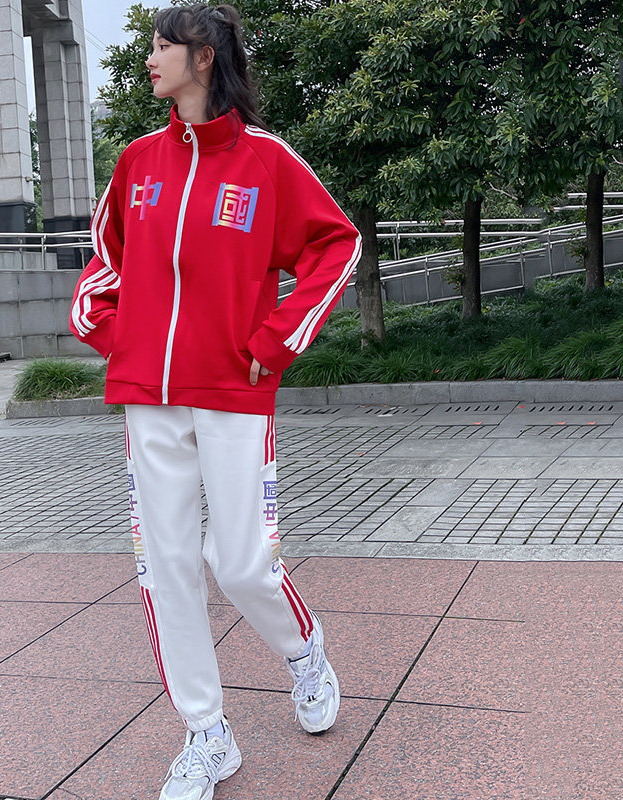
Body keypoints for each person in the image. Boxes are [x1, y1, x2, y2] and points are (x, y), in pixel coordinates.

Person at [69, 4, 362, 798]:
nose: (151, 58)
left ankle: (303, 651)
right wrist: (112, 334)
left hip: (235, 391)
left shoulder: (266, 161)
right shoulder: (138, 162)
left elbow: (337, 243)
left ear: (204, 58)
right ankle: (206, 733)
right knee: (166, 567)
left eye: (163, 45)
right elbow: (104, 264)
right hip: (149, 398)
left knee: (240, 563)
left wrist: (276, 339)